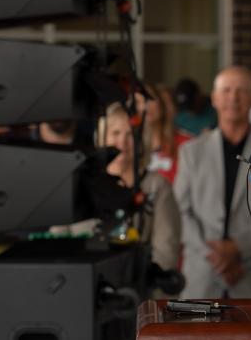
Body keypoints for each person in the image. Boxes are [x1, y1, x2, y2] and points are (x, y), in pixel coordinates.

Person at [174, 66, 251, 298]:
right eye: (226, 90)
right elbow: (180, 211)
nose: (233, 97)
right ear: (215, 98)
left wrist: (238, 249)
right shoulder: (191, 152)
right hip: (202, 274)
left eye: (241, 91)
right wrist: (218, 257)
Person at [52, 103, 181, 274]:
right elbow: (57, 242)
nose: (122, 142)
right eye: (115, 133)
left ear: (141, 141)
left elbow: (166, 253)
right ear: (102, 138)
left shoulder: (158, 186)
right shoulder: (77, 183)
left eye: (130, 135)